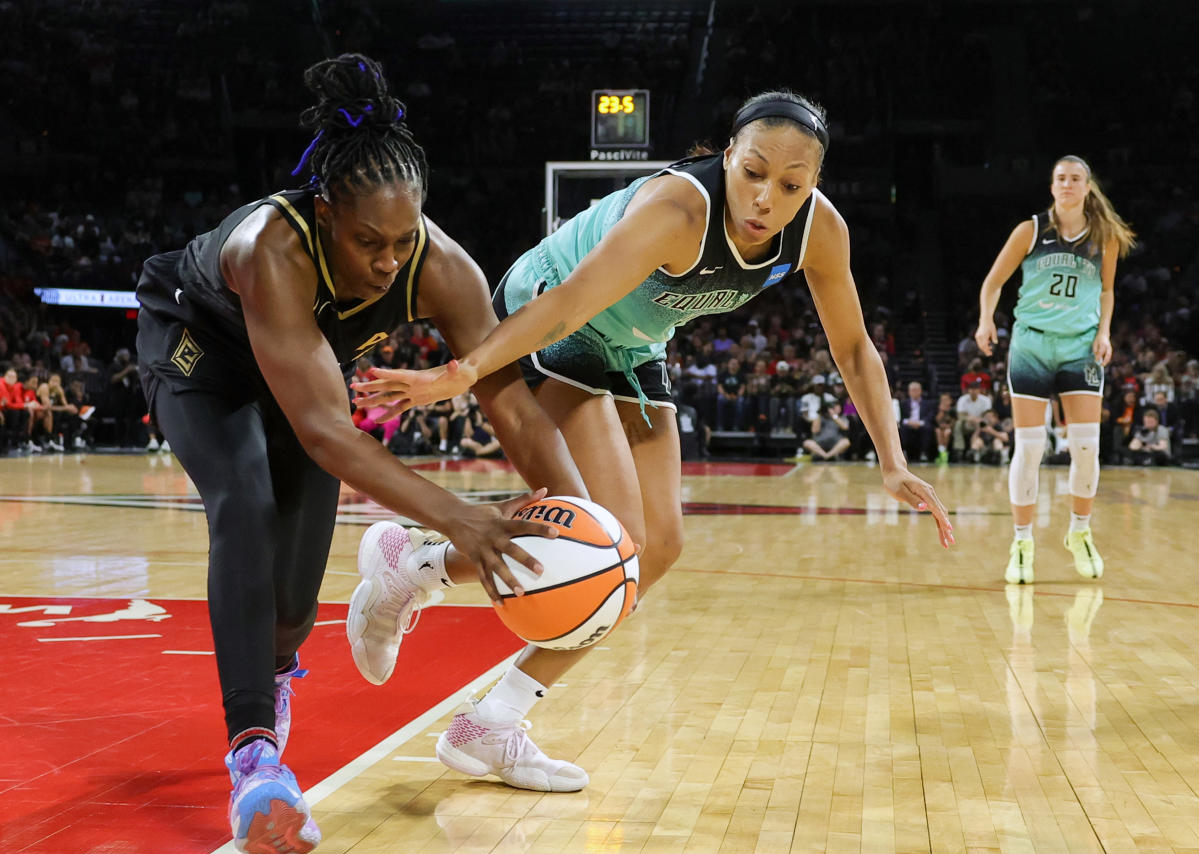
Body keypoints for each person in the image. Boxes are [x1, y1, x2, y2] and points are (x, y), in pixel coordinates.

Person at [352, 90, 954, 787]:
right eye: (752, 170)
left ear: (811, 185)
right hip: (553, 313)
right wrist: (464, 371)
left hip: (635, 345)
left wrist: (891, 460)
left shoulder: (818, 231)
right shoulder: (674, 213)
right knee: (604, 539)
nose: (765, 196)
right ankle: (420, 574)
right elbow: (569, 302)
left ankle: (480, 704)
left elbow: (852, 348)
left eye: (790, 184)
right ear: (726, 155)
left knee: (657, 548)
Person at [134, 54, 584, 854]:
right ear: (324, 210)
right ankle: (253, 761)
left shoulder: (442, 267)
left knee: (293, 608)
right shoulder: (270, 247)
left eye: (402, 239)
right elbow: (325, 433)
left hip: (298, 379)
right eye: (367, 240)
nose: (387, 260)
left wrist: (581, 514)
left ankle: (276, 678)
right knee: (245, 502)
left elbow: (510, 402)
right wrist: (458, 516)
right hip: (201, 356)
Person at [976, 155, 1136, 584]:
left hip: (1080, 347)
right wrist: (986, 319)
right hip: (1031, 343)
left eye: (1075, 178)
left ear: (1087, 187)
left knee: (1086, 448)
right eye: (1061, 178)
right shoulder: (1030, 230)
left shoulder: (1105, 237)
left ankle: (1079, 532)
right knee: (1030, 449)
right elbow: (993, 281)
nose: (1067, 184)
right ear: (1052, 187)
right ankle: (1022, 542)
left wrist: (1105, 332)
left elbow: (1106, 291)